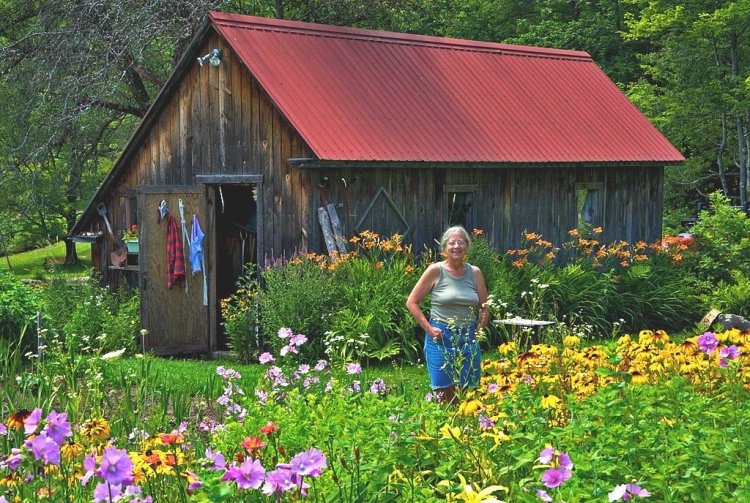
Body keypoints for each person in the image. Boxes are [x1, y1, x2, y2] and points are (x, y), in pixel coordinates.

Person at [406, 226, 489, 404]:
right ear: (445, 247)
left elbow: (485, 307)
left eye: (461, 242)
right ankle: (445, 420)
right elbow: (411, 302)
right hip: (441, 337)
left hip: (468, 337)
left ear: (467, 246)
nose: (456, 246)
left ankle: (465, 420)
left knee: (468, 392)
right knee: (443, 393)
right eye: (452, 243)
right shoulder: (435, 270)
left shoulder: (475, 272)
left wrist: (479, 331)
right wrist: (429, 329)